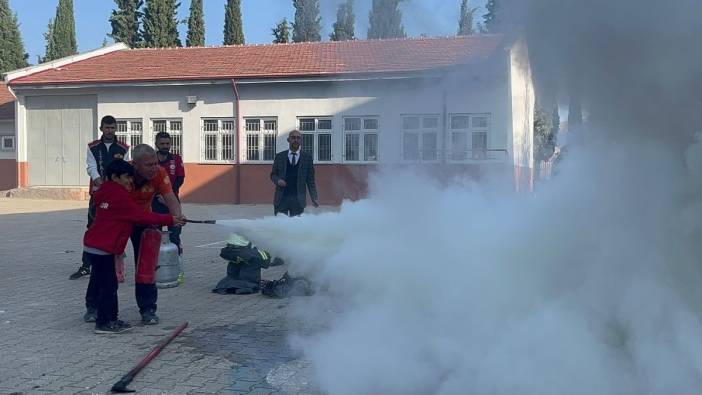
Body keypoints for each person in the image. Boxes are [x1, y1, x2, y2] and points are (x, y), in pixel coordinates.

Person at [84, 144, 184, 325]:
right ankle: (94, 307)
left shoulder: (160, 174)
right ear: (135, 164)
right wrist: (168, 219)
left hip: (144, 222)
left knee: (146, 266)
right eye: (148, 165)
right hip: (122, 221)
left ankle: (148, 309)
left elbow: (171, 198)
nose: (154, 168)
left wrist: (177, 218)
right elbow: (103, 204)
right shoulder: (123, 176)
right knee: (104, 265)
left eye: (155, 163)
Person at [70, 115, 130, 280]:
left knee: (116, 228)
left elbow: (124, 170)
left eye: (112, 127)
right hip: (98, 194)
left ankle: (113, 264)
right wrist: (99, 181)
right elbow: (90, 166)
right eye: (106, 127)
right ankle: (86, 265)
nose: (109, 131)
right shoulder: (93, 147)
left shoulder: (123, 148)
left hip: (116, 196)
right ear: (101, 128)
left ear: (116, 128)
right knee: (93, 227)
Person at [270, 129, 319, 216]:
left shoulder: (307, 158)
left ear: (301, 141)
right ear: (288, 140)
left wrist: (314, 198)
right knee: (279, 226)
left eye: (298, 138)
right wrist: (278, 181)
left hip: (298, 200)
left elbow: (310, 180)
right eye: (293, 138)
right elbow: (273, 175)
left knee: (297, 227)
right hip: (281, 199)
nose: (295, 140)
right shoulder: (279, 156)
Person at [151, 131, 185, 254]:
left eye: (167, 143)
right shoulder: (151, 160)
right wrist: (158, 195)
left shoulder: (176, 159)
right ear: (156, 144)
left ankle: (177, 264)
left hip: (172, 201)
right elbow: (147, 179)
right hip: (155, 202)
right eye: (162, 143)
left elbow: (180, 179)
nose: (165, 146)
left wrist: (167, 195)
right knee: (154, 235)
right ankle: (155, 266)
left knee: (175, 235)